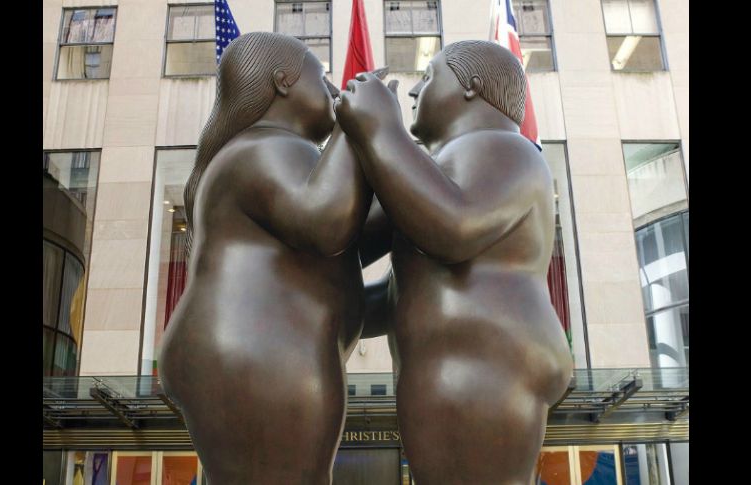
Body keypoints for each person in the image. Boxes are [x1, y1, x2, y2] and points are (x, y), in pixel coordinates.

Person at [336, 40, 574, 484]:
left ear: (472, 87)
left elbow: (456, 227)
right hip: (449, 370)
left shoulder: (507, 149)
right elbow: (393, 288)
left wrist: (380, 130)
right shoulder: (435, 170)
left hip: (491, 366)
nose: (413, 91)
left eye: (428, 78)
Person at [158, 32, 371, 485]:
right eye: (322, 78)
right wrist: (356, 127)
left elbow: (347, 236)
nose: (335, 90)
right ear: (283, 82)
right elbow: (327, 222)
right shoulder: (265, 147)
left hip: (254, 353)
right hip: (254, 357)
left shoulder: (271, 152)